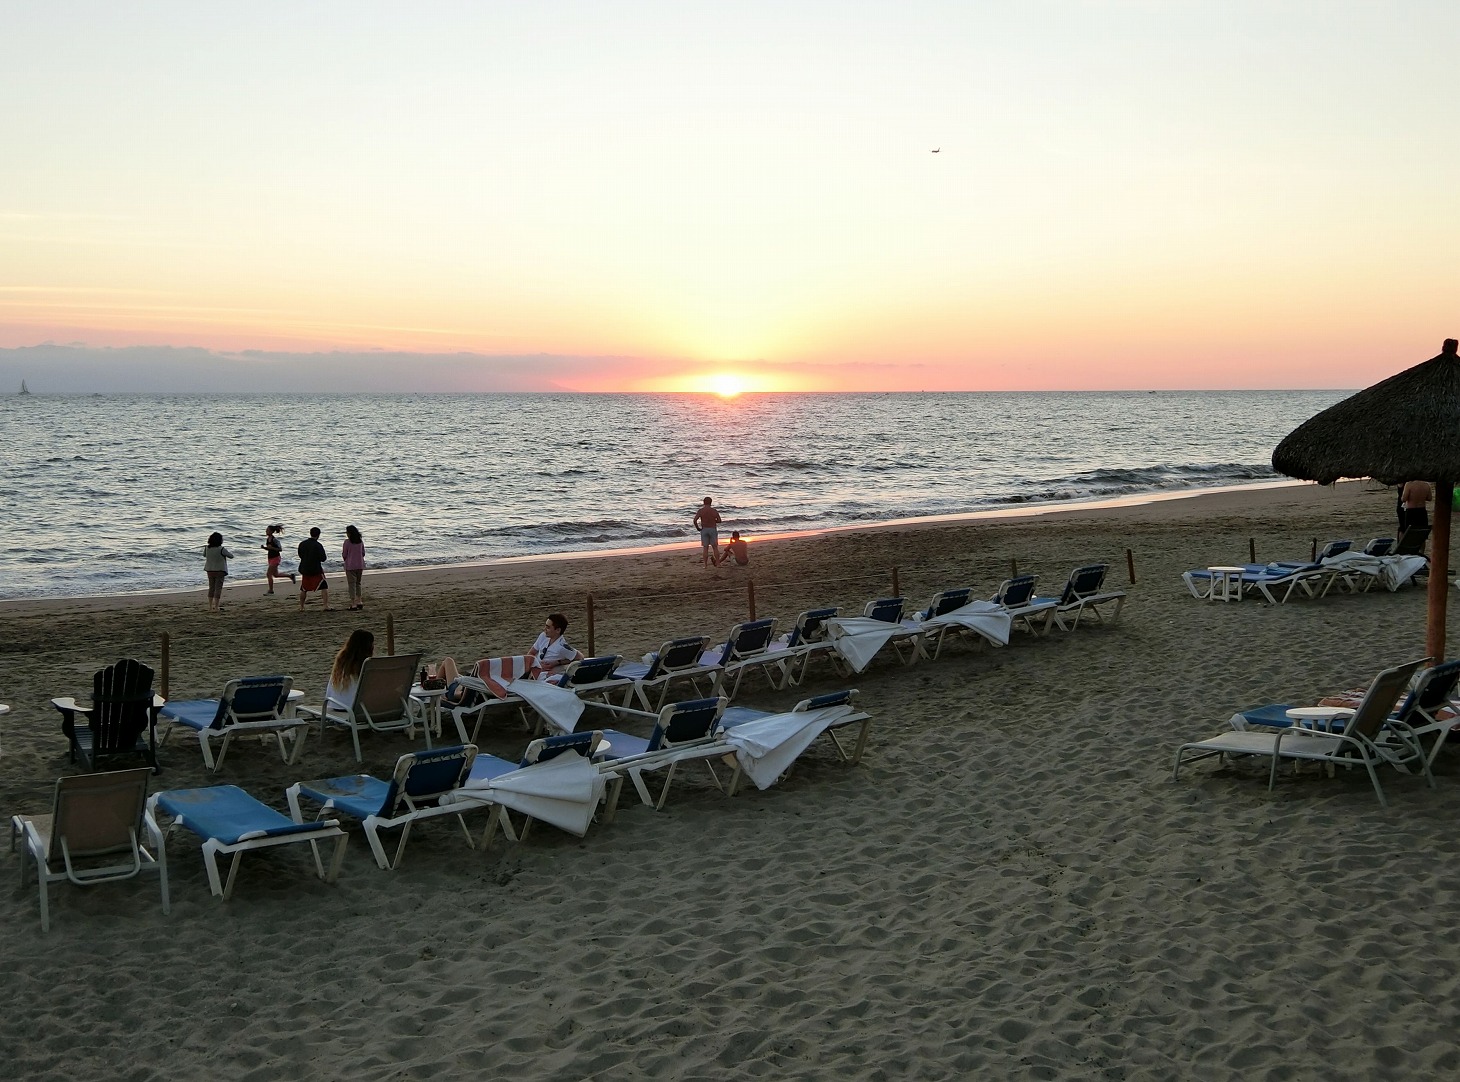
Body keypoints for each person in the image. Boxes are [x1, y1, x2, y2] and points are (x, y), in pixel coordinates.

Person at [326, 629, 374, 712]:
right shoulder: (367, 666)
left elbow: (329, 692)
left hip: (336, 706)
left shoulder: (341, 663)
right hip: (355, 710)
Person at [528, 612, 583, 679]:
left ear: (558, 630)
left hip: (546, 675)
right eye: (545, 626)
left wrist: (558, 662)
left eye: (548, 627)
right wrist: (534, 665)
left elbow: (580, 657)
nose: (544, 629)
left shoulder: (562, 646)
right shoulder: (543, 636)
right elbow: (531, 653)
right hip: (534, 669)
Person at [297, 527, 330, 612]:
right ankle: (325, 605)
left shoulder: (302, 544)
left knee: (304, 588)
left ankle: (301, 607)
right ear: (318, 535)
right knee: (324, 586)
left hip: (304, 568)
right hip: (316, 569)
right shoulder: (318, 545)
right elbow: (323, 558)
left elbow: (300, 555)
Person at [261, 524, 296, 595]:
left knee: (268, 574)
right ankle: (291, 576)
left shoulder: (275, 540)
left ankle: (271, 590)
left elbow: (280, 549)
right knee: (275, 575)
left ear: (271, 531)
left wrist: (271, 548)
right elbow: (270, 549)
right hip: (270, 558)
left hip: (276, 558)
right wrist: (265, 548)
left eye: (267, 530)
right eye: (266, 530)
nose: (266, 531)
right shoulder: (268, 539)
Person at [202, 532, 233, 612]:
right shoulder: (221, 549)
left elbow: (204, 555)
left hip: (209, 570)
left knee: (211, 588)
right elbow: (231, 556)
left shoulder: (207, 548)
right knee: (218, 588)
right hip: (220, 570)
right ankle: (216, 607)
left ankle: (210, 606)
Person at [693, 496, 723, 568]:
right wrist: (713, 521)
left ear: (703, 502)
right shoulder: (714, 511)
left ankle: (705, 565)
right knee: (715, 547)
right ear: (711, 502)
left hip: (704, 529)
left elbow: (695, 520)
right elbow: (719, 520)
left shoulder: (701, 511)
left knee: (705, 548)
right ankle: (718, 564)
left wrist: (697, 528)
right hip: (712, 528)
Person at [342, 525, 366, 611]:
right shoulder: (360, 542)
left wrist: (346, 559)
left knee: (351, 584)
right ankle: (359, 600)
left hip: (350, 565)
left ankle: (353, 603)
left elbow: (344, 554)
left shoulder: (347, 542)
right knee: (358, 583)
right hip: (360, 565)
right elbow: (363, 553)